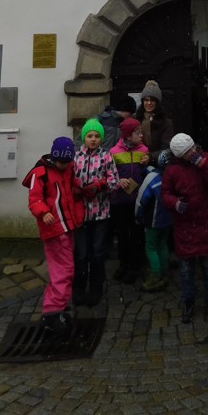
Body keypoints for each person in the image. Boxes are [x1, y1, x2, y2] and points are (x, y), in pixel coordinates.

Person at [161, 132, 208, 323]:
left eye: (192, 149)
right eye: (186, 152)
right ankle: (188, 301)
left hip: (207, 223)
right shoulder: (172, 170)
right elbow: (165, 194)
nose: (191, 154)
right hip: (185, 226)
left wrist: (203, 165)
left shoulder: (206, 158)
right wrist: (175, 203)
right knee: (186, 270)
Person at [22, 136, 84, 336]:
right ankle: (53, 312)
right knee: (64, 271)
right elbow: (34, 199)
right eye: (61, 162)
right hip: (54, 229)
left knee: (61, 271)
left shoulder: (68, 168)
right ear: (54, 157)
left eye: (67, 162)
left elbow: (72, 188)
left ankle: (57, 306)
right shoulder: (41, 173)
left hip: (66, 226)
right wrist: (43, 212)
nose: (64, 165)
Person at [72, 118, 120, 305]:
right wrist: (75, 190)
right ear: (84, 138)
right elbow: (68, 180)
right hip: (80, 213)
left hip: (101, 213)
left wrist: (101, 186)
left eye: (97, 136)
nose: (93, 139)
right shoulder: (76, 157)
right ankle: (78, 287)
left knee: (98, 252)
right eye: (90, 136)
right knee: (81, 253)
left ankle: (96, 287)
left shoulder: (106, 157)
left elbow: (114, 181)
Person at [110, 117, 149, 283]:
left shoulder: (144, 150)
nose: (141, 135)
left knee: (137, 234)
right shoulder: (114, 152)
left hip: (138, 201)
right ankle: (123, 263)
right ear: (127, 136)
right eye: (137, 133)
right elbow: (110, 173)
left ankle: (135, 266)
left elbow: (146, 172)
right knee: (122, 234)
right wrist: (118, 180)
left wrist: (147, 162)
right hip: (120, 201)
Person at [135, 150, 173, 292]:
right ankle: (164, 272)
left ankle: (156, 275)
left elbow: (141, 200)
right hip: (168, 219)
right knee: (163, 245)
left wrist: (138, 217)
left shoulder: (152, 178)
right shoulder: (171, 177)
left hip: (153, 220)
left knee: (150, 247)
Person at [136, 80, 174, 165]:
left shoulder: (166, 123)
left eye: (152, 100)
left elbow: (166, 148)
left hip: (157, 164)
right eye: (146, 100)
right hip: (136, 162)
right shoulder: (136, 119)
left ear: (157, 102)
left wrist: (151, 157)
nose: (149, 103)